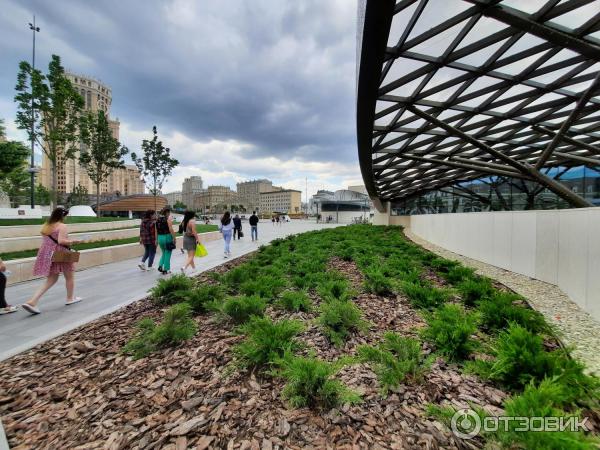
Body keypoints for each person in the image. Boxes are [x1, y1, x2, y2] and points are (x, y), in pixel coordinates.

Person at [22, 207, 82, 315]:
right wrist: (74, 241)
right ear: (63, 215)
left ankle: (32, 301)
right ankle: (70, 298)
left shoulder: (46, 225)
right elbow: (61, 241)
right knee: (69, 276)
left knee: (51, 279)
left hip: (47, 253)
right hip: (61, 252)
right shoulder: (62, 226)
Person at [156, 207, 177, 275]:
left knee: (164, 253)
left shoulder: (157, 220)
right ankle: (166, 269)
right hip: (167, 237)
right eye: (169, 213)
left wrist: (156, 239)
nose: (169, 214)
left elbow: (156, 231)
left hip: (160, 237)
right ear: (167, 213)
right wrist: (174, 238)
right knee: (168, 253)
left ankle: (160, 266)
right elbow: (170, 229)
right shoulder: (168, 219)